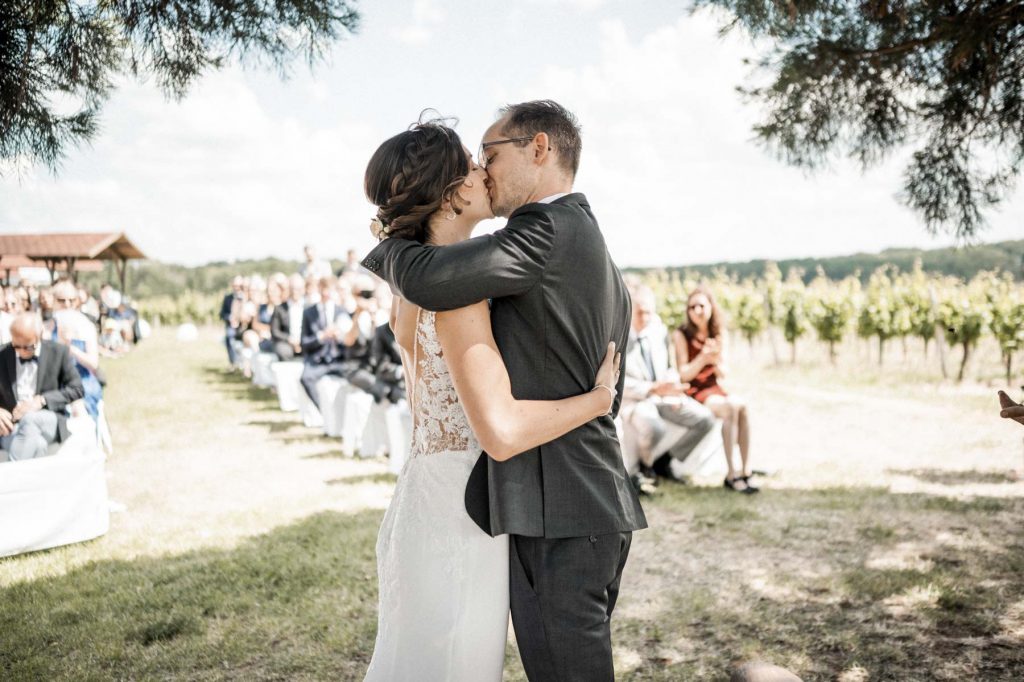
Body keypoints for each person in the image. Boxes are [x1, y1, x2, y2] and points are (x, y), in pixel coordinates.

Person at [362, 102, 645, 681]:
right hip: (489, 506)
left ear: (538, 149)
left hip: (518, 504)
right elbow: (502, 426)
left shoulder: (535, 236)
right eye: (474, 163)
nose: (483, 171)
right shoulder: (468, 283)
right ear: (449, 194)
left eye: (488, 156)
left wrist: (392, 233)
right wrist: (597, 402)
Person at [622, 285, 716, 483]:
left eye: (649, 312)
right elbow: (618, 381)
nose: (645, 317)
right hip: (636, 400)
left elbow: (668, 367)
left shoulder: (659, 332)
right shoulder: (618, 337)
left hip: (664, 397)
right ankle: (644, 470)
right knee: (655, 428)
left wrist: (673, 389)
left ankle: (666, 461)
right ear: (630, 310)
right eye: (640, 312)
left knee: (706, 419)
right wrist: (652, 389)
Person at [674, 285, 758, 493]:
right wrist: (703, 358)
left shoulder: (718, 333)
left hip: (714, 387)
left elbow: (724, 373)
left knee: (743, 407)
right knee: (731, 408)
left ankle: (746, 470)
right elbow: (683, 374)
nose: (697, 311)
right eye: (692, 307)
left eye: (701, 305)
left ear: (711, 307)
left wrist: (716, 359)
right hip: (695, 389)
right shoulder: (681, 334)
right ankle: (731, 473)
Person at [0, 313, 84, 460]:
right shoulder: (2, 354)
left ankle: (11, 478)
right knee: (38, 445)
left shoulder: (58, 352)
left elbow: (77, 389)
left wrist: (41, 401)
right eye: (16, 346)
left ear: (39, 336)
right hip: (12, 426)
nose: (20, 352)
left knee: (30, 419)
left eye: (26, 347)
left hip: (47, 419)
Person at [299, 275, 359, 408]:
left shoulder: (342, 311)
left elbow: (350, 341)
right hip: (317, 361)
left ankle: (342, 413)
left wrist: (340, 337)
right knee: (305, 378)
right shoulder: (309, 312)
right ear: (318, 290)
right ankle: (324, 411)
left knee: (356, 377)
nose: (326, 293)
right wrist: (321, 336)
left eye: (329, 289)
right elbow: (304, 343)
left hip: (338, 360)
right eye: (323, 289)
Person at [52, 281, 103, 422]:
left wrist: (70, 348)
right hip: (54, 384)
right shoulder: (47, 327)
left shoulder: (86, 326)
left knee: (78, 413)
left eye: (72, 300)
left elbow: (93, 363)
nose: (67, 304)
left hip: (82, 382)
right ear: (54, 301)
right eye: (62, 300)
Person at [220, 276, 244, 365]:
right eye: (235, 285)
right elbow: (222, 314)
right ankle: (233, 362)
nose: (237, 288)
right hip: (231, 325)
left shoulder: (245, 297)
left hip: (243, 325)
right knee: (229, 336)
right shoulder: (228, 298)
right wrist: (229, 318)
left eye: (239, 285)